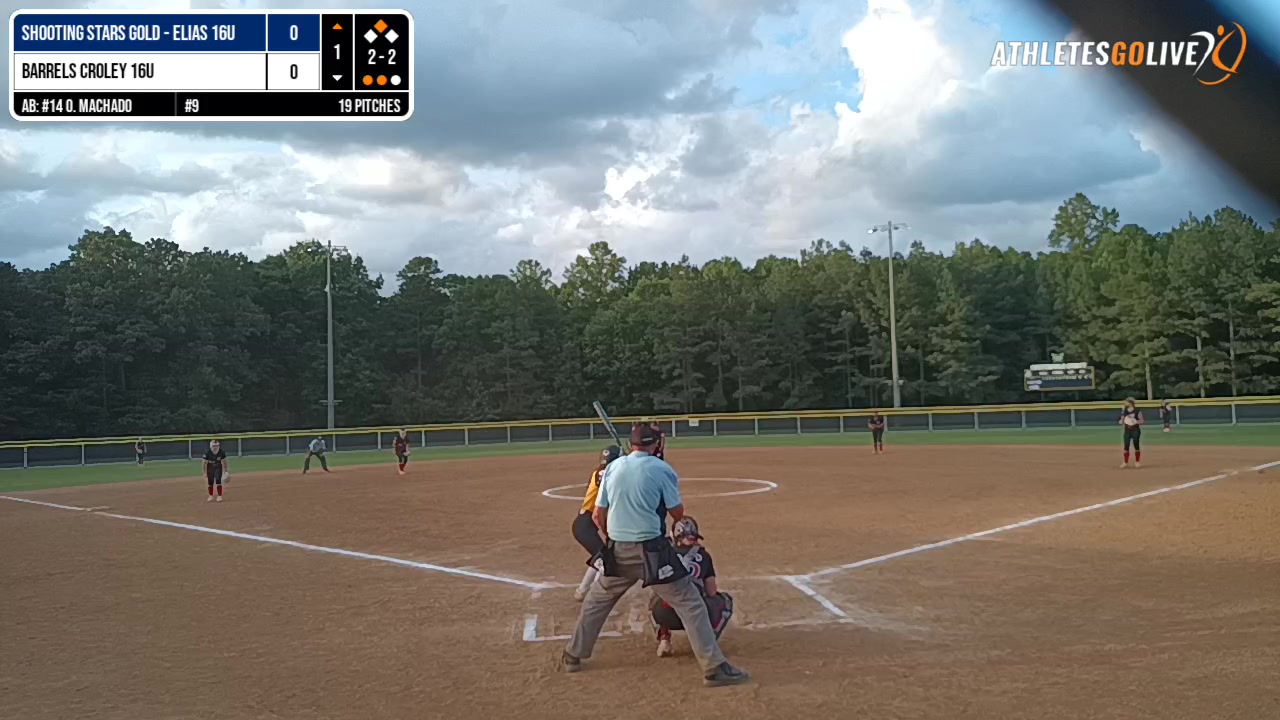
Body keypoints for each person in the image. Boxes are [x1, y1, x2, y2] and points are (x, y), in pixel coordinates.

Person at [559, 423, 749, 687]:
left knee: (596, 601)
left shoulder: (613, 467)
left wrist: (611, 538)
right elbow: (677, 513)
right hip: (652, 553)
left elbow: (597, 514)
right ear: (656, 444)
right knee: (691, 603)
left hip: (618, 550)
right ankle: (714, 667)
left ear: (631, 444)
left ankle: (572, 655)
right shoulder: (661, 469)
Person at [650, 516, 734, 658]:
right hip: (695, 614)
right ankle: (707, 643)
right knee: (725, 601)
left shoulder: (664, 554)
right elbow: (711, 591)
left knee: (658, 594)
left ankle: (664, 640)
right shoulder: (704, 555)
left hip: (666, 614)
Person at [572, 444, 622, 601]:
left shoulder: (602, 470)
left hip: (584, 524)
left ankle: (581, 591)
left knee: (600, 556)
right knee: (605, 560)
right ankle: (592, 594)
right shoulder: (605, 473)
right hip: (585, 524)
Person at [1119, 397, 1144, 468]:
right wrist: (1121, 421)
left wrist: (1135, 421)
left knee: (1136, 444)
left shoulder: (1137, 410)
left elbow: (1142, 421)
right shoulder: (1124, 410)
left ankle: (1137, 462)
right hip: (1127, 430)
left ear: (1130, 403)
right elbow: (1122, 420)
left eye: (1126, 402)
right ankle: (1125, 462)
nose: (1125, 403)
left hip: (1135, 430)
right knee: (1126, 445)